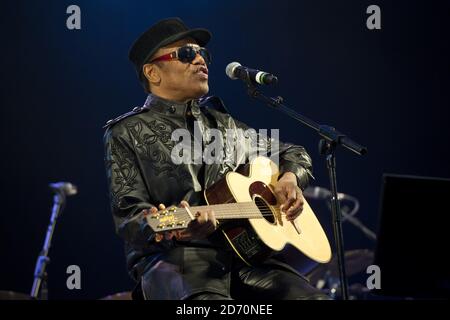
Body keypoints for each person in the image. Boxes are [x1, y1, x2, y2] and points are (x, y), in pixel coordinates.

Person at [103, 17, 330, 300]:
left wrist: (289, 178)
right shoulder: (126, 131)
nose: (201, 60)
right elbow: (129, 219)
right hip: (179, 260)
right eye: (187, 54)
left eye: (203, 53)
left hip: (251, 257)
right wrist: (172, 228)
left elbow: (293, 153)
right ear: (152, 72)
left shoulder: (224, 124)